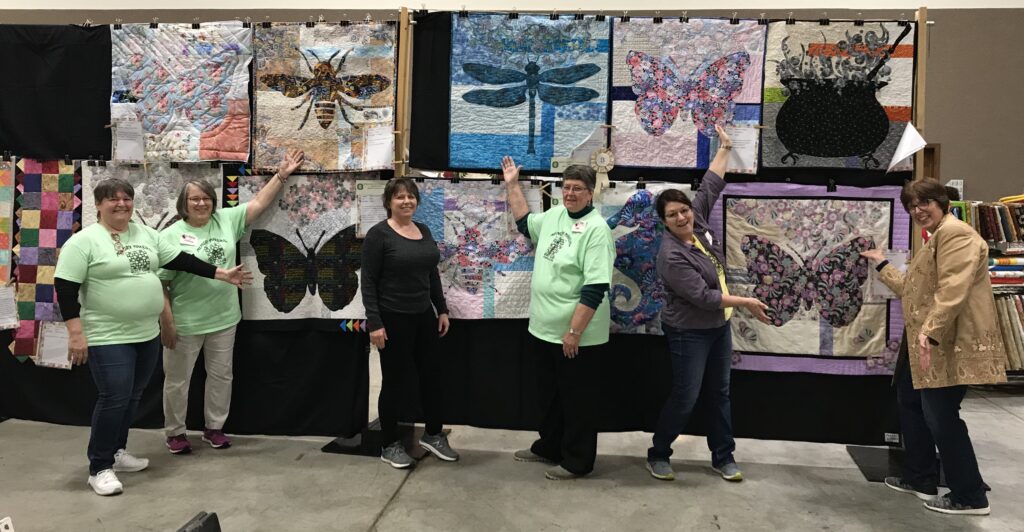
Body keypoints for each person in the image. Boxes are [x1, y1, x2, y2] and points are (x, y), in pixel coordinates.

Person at [54, 178, 251, 496]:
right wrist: (76, 334)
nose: (121, 204)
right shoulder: (84, 241)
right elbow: (65, 287)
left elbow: (180, 260)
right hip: (107, 335)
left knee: (131, 396)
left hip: (145, 333)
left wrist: (220, 273)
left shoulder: (146, 234)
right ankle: (99, 467)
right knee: (114, 397)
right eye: (112, 199)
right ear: (99, 205)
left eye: (126, 199)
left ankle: (117, 453)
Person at [861, 179, 1007, 516]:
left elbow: (953, 288)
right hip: (925, 344)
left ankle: (969, 495)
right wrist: (882, 264)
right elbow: (914, 291)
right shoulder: (935, 238)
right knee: (912, 403)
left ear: (942, 201)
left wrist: (930, 331)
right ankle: (920, 476)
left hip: (943, 343)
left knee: (941, 416)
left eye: (924, 202)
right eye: (912, 206)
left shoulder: (955, 234)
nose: (918, 210)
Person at [645, 124, 771, 482]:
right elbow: (704, 297)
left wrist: (726, 147)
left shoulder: (697, 222)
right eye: (673, 215)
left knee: (720, 393)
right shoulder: (670, 256)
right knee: (686, 396)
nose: (683, 217)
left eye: (683, 210)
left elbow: (711, 183)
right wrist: (746, 300)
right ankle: (658, 453)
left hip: (718, 327)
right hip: (689, 331)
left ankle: (723, 457)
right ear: (664, 223)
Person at [159, 148, 304, 454]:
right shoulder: (170, 235)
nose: (201, 203)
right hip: (185, 321)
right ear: (183, 204)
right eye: (194, 199)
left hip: (224, 317)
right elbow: (161, 285)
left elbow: (260, 203)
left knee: (222, 375)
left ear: (214, 201)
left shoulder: (226, 220)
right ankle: (175, 432)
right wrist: (167, 322)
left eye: (206, 198)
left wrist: (281, 175)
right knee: (177, 381)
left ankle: (214, 428)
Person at [502, 158, 615, 480]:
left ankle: (578, 461)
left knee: (578, 401)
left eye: (577, 188)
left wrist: (574, 332)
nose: (570, 193)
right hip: (544, 329)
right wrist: (512, 184)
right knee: (550, 396)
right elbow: (525, 223)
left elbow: (595, 289)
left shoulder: (597, 230)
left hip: (576, 336)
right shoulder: (555, 216)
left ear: (591, 193)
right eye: (566, 187)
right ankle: (550, 446)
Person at [361, 177, 456, 469]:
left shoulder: (423, 230)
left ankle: (433, 434)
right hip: (392, 319)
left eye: (411, 196)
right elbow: (368, 281)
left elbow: (432, 274)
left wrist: (441, 309)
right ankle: (389, 445)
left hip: (423, 317)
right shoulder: (379, 235)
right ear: (389, 202)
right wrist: (374, 323)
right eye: (400, 197)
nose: (406, 201)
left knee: (432, 377)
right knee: (395, 383)